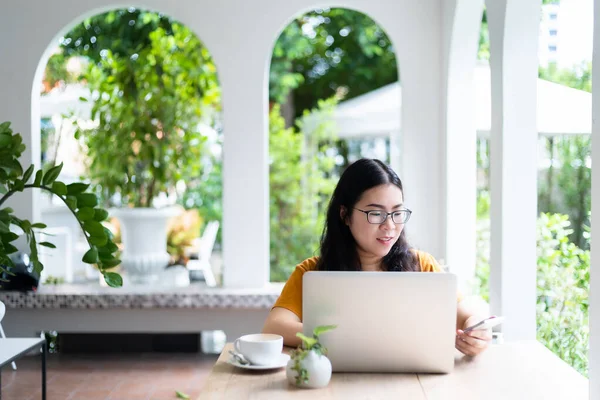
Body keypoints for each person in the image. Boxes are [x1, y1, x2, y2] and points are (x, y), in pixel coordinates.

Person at [263, 158, 491, 357]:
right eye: (376, 213)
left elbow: (466, 315)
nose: (390, 225)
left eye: (397, 213)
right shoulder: (313, 272)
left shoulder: (421, 266)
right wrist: (346, 335)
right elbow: (275, 327)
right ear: (344, 214)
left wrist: (476, 330)